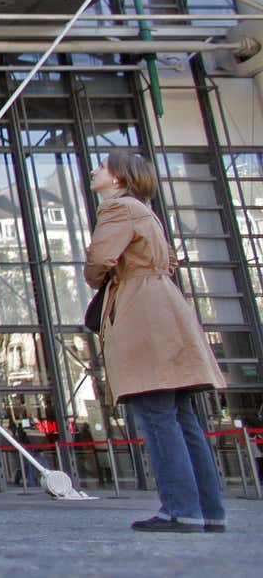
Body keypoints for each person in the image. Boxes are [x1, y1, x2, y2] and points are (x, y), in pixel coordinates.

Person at [85, 150, 227, 533]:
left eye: (102, 167)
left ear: (117, 179)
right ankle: (208, 510)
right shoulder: (147, 212)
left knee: (156, 415)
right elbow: (168, 261)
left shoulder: (116, 209)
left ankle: (179, 509)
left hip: (142, 312)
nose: (94, 170)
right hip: (167, 309)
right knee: (183, 418)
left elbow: (100, 260)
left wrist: (97, 273)